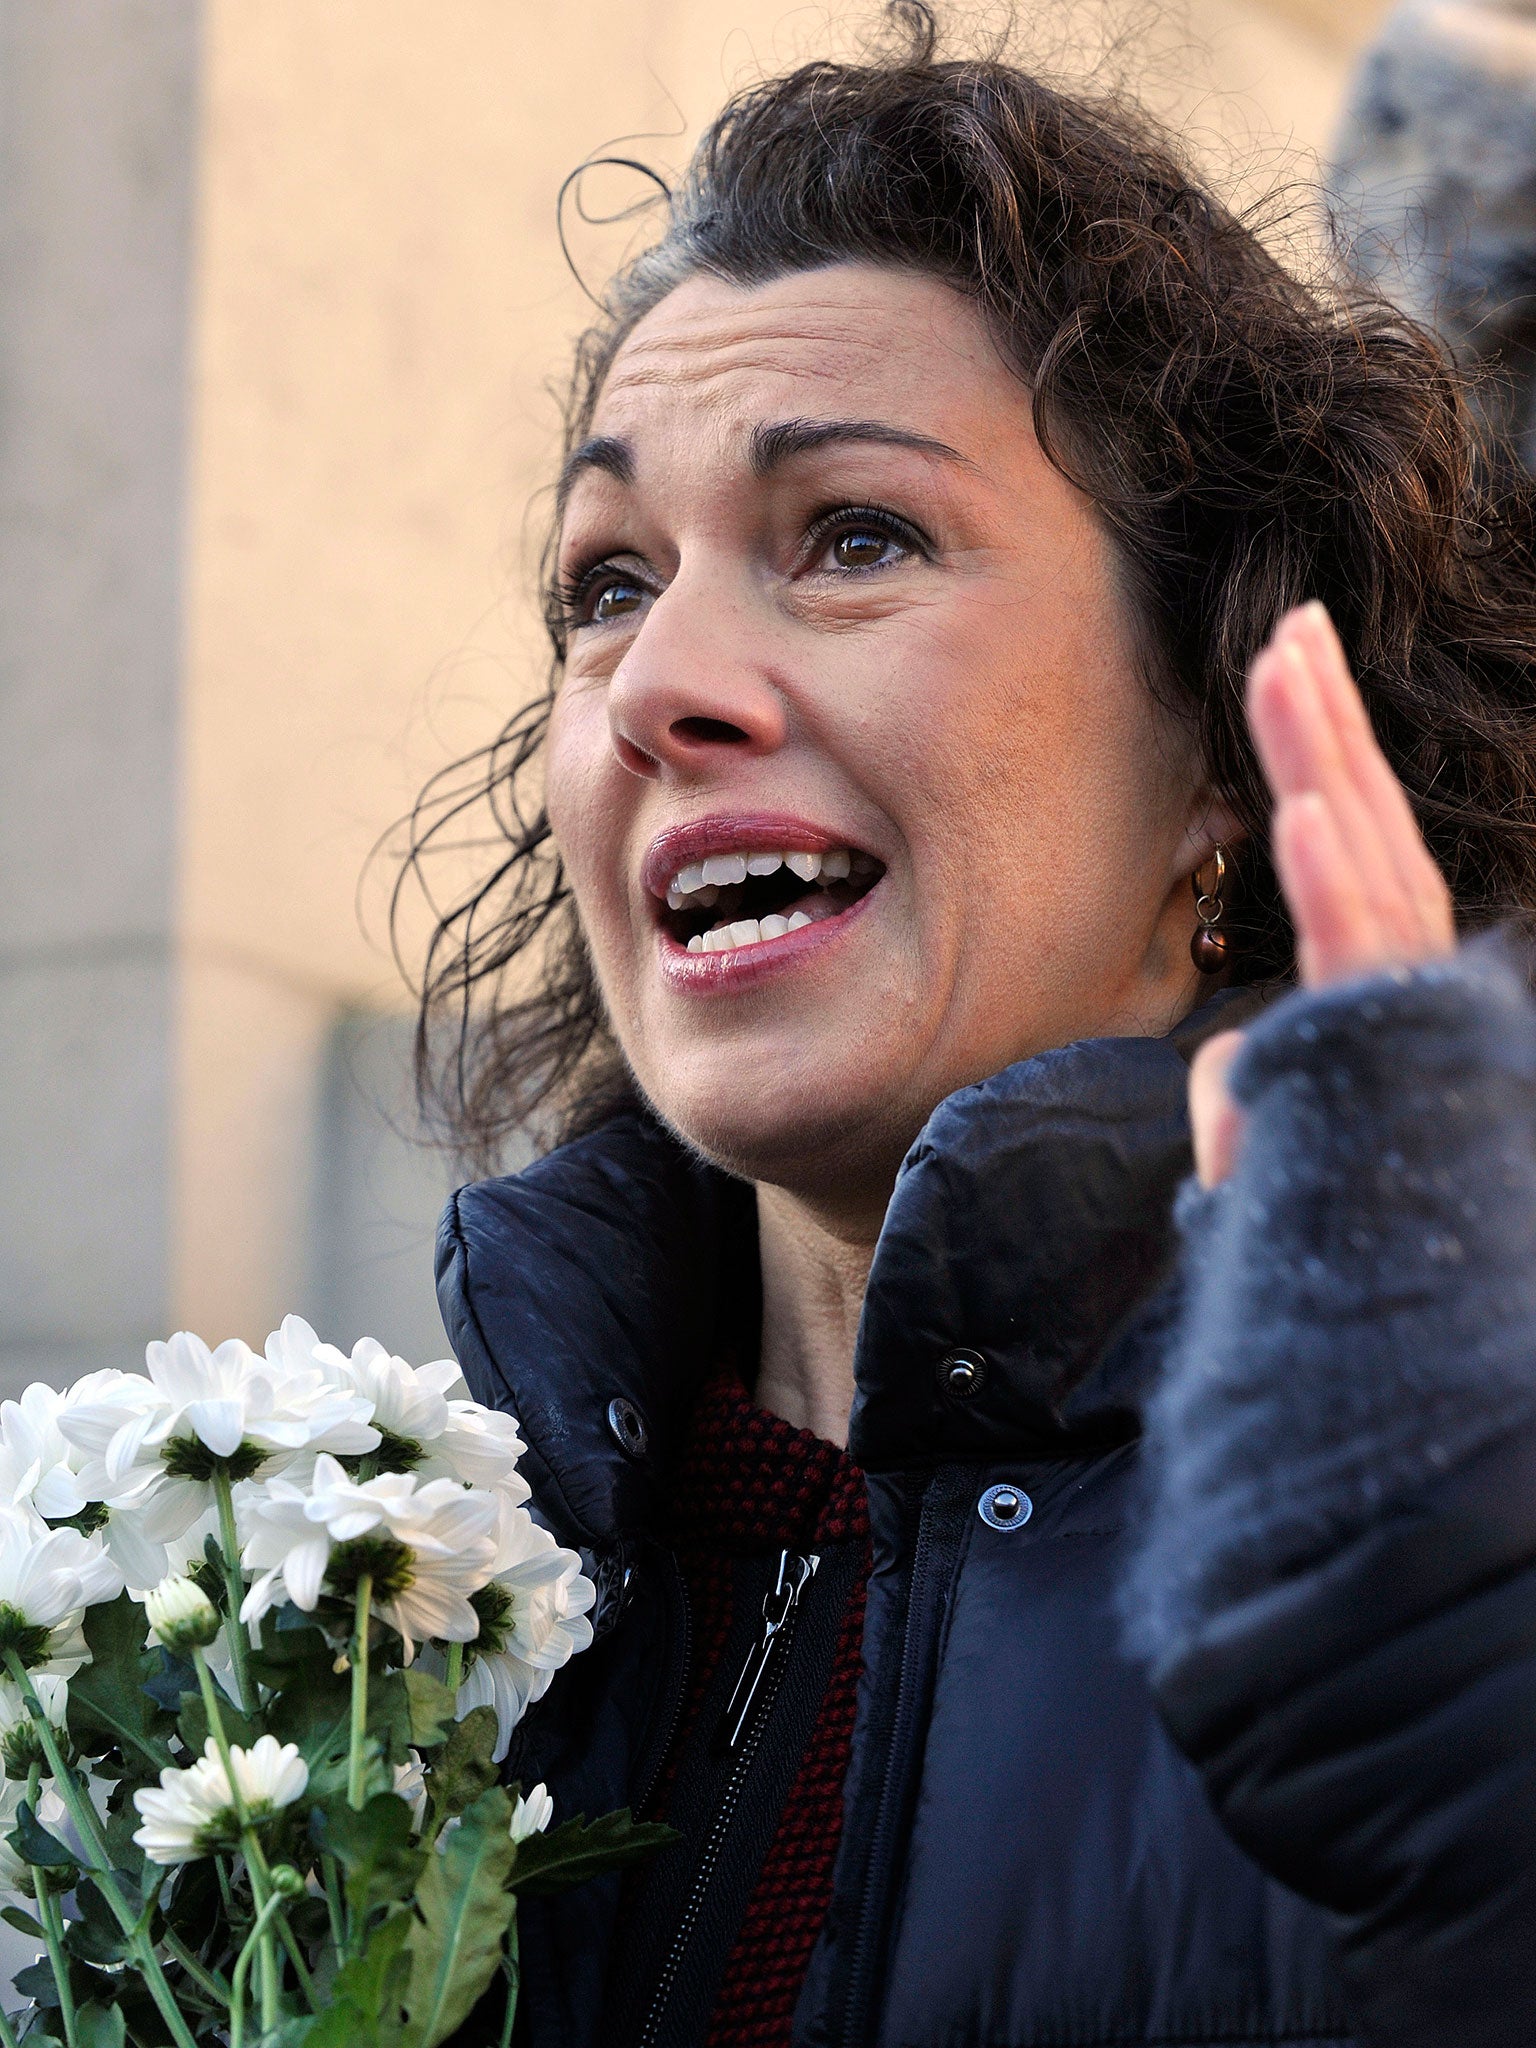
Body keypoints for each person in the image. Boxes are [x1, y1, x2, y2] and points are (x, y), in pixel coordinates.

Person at [404, 11, 1536, 2044]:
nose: (661, 681)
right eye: (604, 583)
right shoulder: (381, 1604)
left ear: (1216, 743)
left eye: (855, 536)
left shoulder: (1467, 1537)